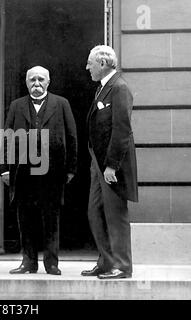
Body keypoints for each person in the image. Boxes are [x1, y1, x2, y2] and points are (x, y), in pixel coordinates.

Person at [1, 66, 78, 275]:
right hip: (23, 172)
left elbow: (71, 137)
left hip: (52, 171)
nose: (36, 84)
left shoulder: (61, 104)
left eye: (41, 80)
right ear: (26, 83)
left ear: (48, 82)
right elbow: (7, 136)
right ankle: (28, 262)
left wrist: (70, 168)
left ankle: (52, 263)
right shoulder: (16, 105)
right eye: (32, 80)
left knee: (50, 217)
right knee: (25, 217)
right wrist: (5, 169)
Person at [82, 45, 138, 279]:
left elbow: (122, 129)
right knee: (95, 212)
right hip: (99, 162)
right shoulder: (104, 88)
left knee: (115, 215)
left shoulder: (119, 88)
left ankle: (122, 266)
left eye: (90, 63)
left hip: (111, 166)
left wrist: (112, 166)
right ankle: (106, 261)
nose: (87, 68)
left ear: (103, 63)